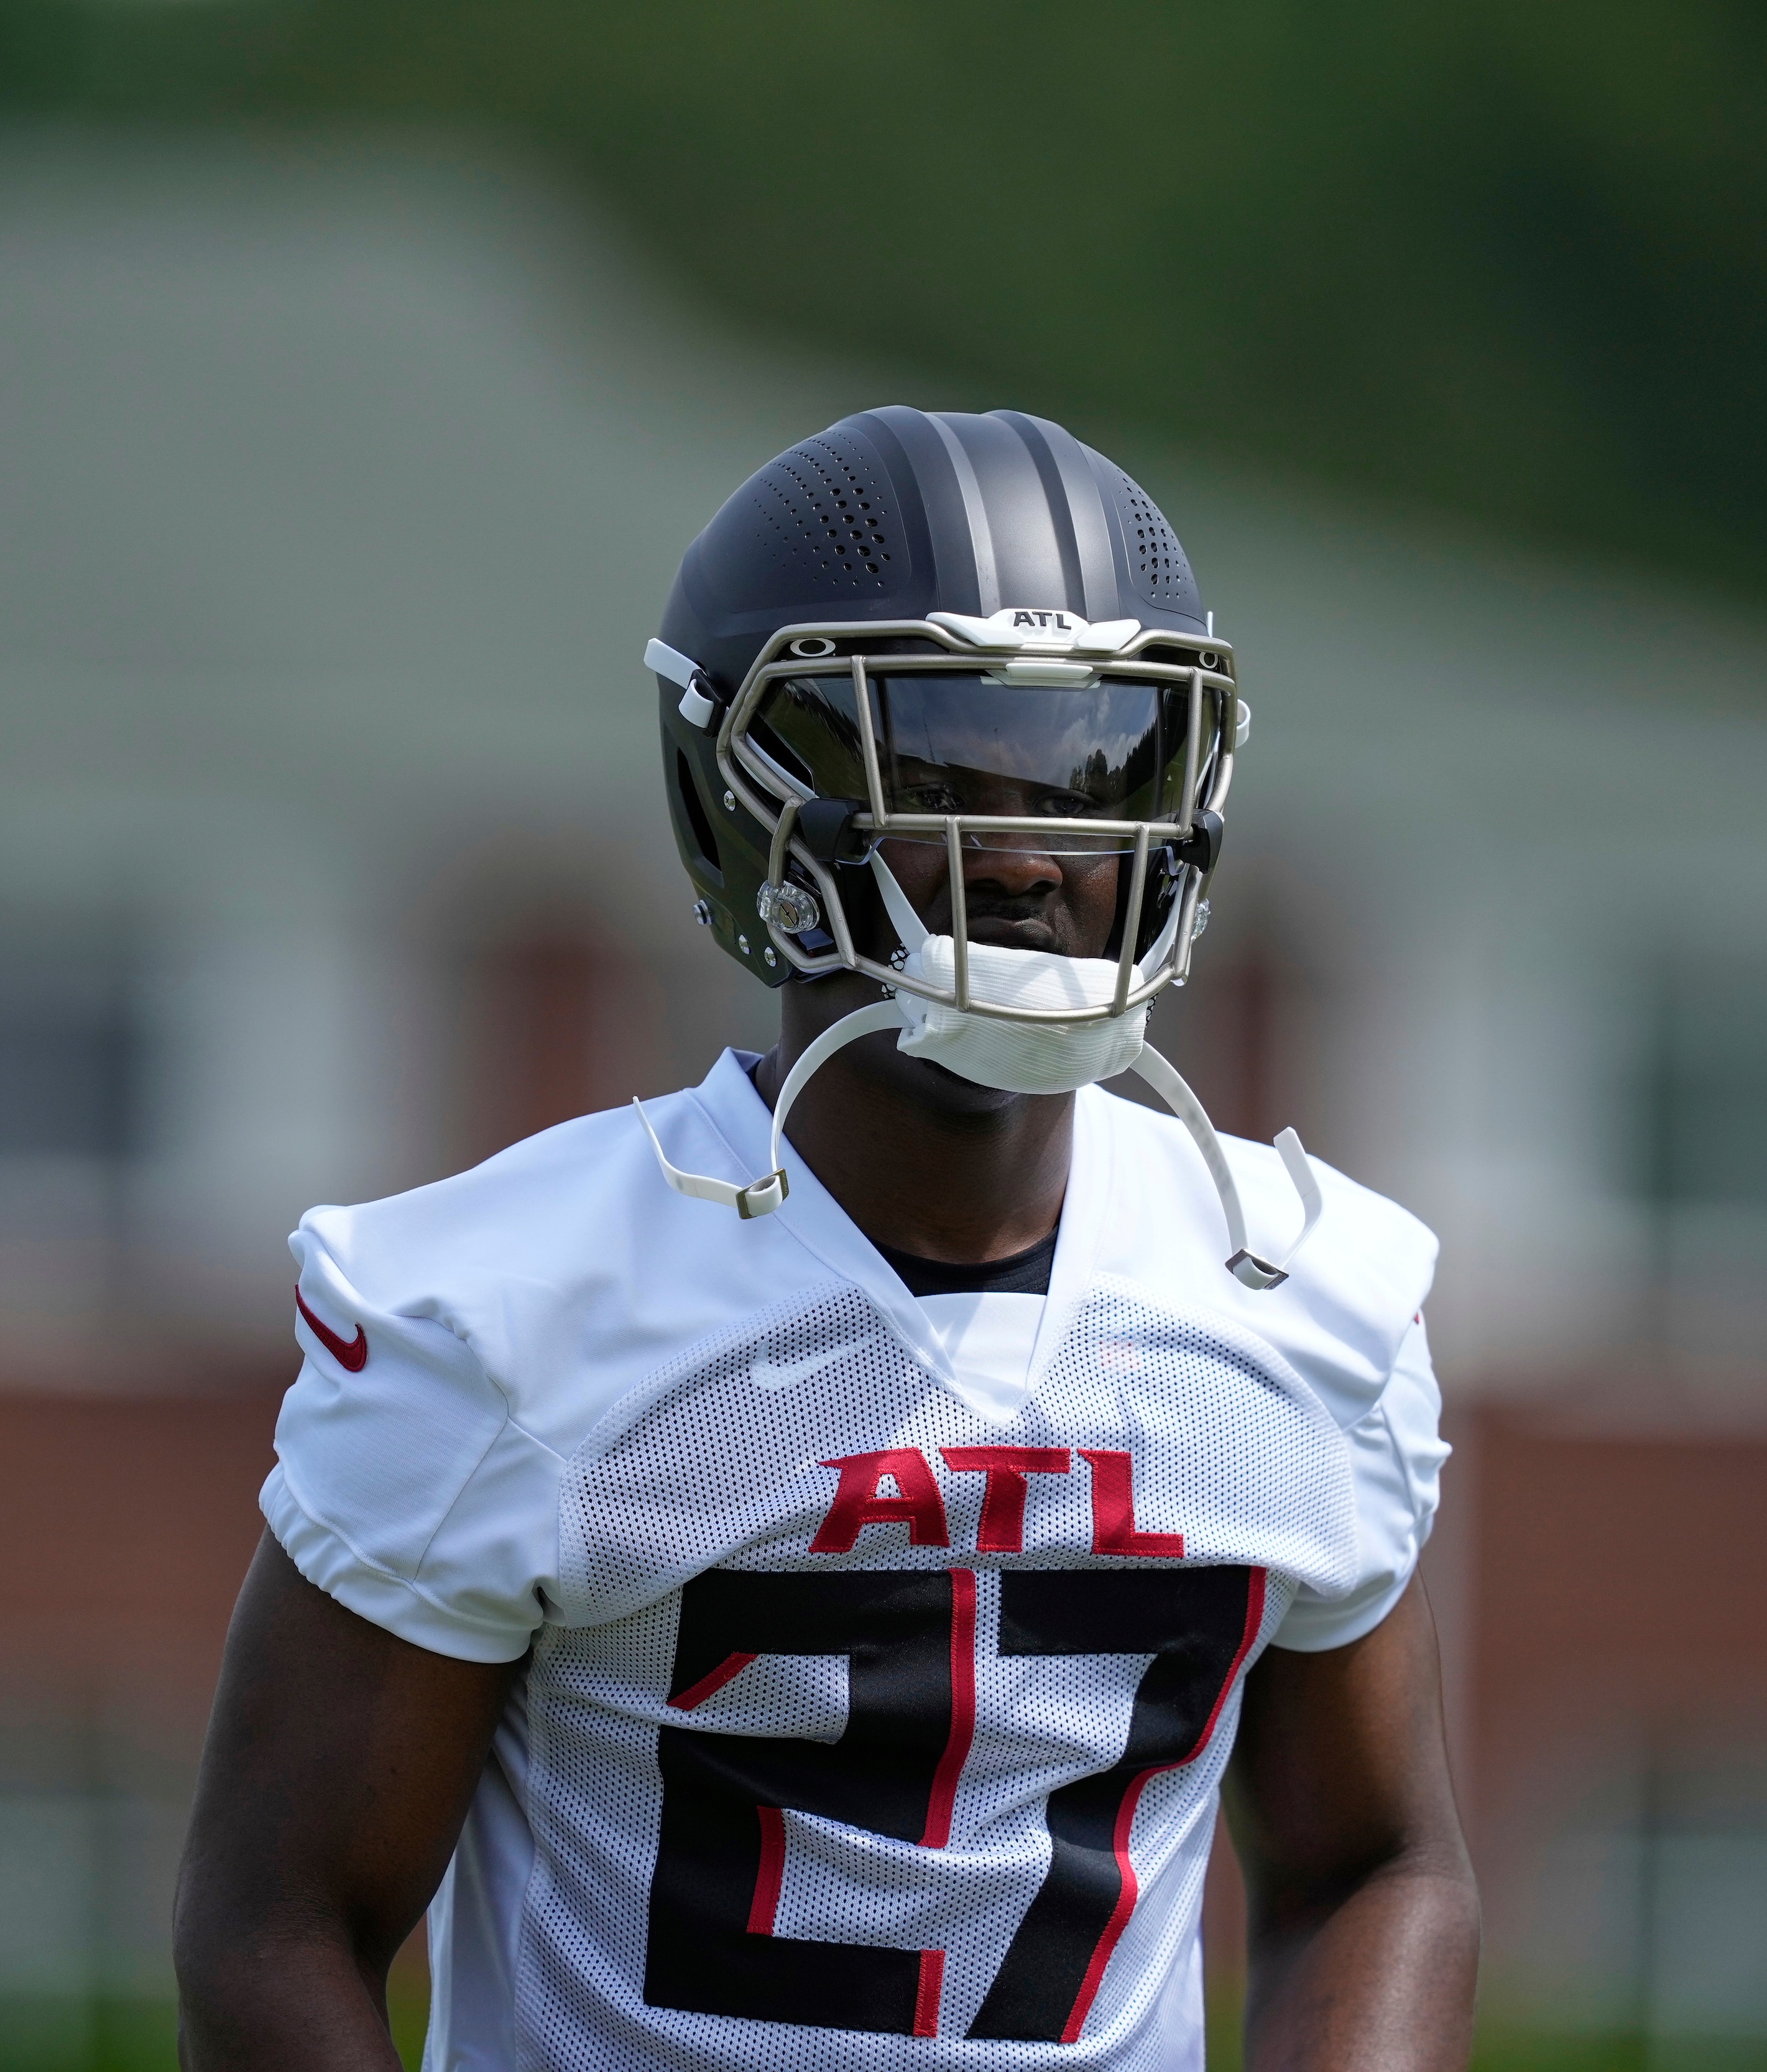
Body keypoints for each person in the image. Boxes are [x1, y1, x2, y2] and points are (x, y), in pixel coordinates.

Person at [174, 407, 1479, 2070]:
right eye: (937, 768)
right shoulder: (510, 1314)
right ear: (747, 801)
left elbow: (1381, 1864)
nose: (1024, 850)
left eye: (1094, 765)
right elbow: (279, 1926)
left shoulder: (1301, 1302)